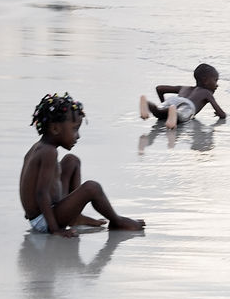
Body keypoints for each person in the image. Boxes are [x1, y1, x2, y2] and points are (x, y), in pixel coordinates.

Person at [20, 93, 145, 236]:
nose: (78, 136)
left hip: (45, 212)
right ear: (55, 129)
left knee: (71, 160)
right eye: (74, 129)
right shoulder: (49, 152)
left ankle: (75, 217)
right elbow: (41, 193)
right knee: (92, 188)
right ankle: (117, 221)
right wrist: (55, 230)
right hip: (44, 221)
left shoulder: (40, 147)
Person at [139, 63, 227, 130]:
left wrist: (163, 102)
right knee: (181, 115)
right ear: (205, 80)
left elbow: (159, 88)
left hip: (173, 100)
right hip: (188, 105)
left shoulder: (184, 88)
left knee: (158, 111)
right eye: (215, 80)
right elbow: (222, 114)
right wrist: (220, 114)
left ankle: (147, 103)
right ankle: (173, 113)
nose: (217, 85)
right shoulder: (207, 93)